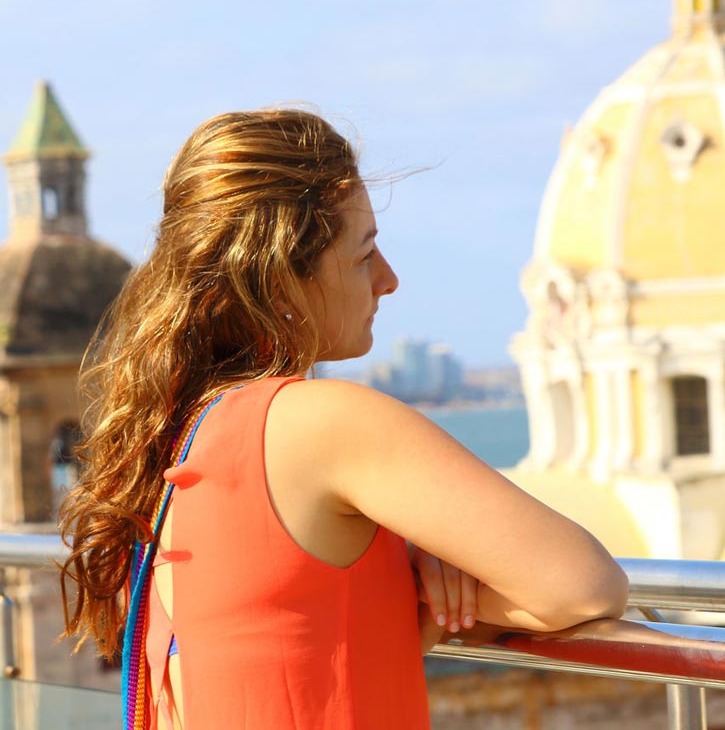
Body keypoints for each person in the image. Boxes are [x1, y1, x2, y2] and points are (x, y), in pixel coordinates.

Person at [59, 108, 628, 730]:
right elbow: (583, 586)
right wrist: (438, 596)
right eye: (363, 255)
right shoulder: (322, 422)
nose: (388, 279)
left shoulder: (181, 433)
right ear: (279, 280)